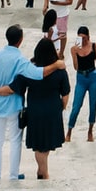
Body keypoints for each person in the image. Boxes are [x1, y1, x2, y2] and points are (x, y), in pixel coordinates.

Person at [0, 25, 43, 184]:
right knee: (15, 140)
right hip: (14, 106)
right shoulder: (20, 60)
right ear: (20, 40)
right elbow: (37, 74)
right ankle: (13, 175)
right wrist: (55, 65)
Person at [21, 35, 70, 178]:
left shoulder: (30, 70)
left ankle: (42, 170)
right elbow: (65, 93)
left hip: (35, 110)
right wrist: (61, 107)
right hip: (52, 110)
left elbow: (22, 86)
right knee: (46, 144)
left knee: (39, 144)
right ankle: (43, 172)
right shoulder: (60, 71)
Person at [65, 25, 96, 141]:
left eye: (84, 38)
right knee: (76, 106)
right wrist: (76, 53)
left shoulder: (94, 46)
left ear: (88, 37)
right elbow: (76, 67)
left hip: (93, 77)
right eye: (80, 38)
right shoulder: (74, 49)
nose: (82, 40)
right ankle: (69, 131)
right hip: (81, 77)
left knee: (93, 105)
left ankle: (90, 131)